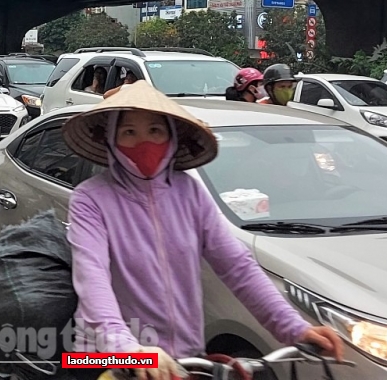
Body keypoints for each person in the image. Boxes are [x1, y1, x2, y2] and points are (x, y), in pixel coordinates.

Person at [62, 82, 343, 379]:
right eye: (128, 132)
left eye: (155, 131)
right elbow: (93, 280)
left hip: (183, 360)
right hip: (105, 358)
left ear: (171, 138)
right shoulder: (90, 198)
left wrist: (294, 328)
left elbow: (237, 266)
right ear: (111, 140)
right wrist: (127, 350)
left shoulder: (189, 192)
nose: (143, 142)